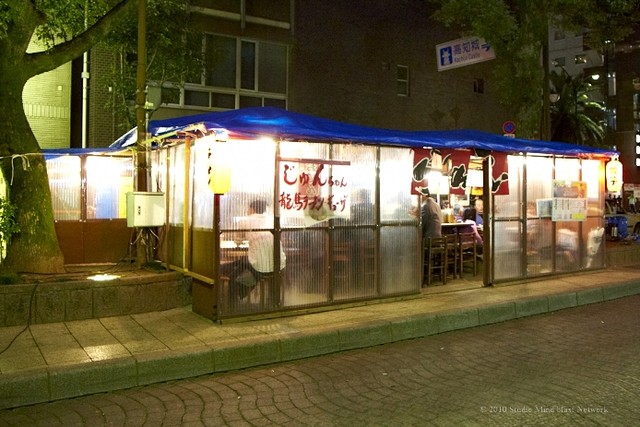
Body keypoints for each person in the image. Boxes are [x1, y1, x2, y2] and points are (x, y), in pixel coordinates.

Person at [221, 199, 286, 299]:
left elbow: (237, 241)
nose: (247, 211)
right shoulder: (272, 220)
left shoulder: (245, 221)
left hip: (259, 267)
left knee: (237, 270)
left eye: (248, 208)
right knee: (242, 264)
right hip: (279, 265)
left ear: (252, 209)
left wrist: (245, 239)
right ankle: (270, 299)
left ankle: (232, 298)